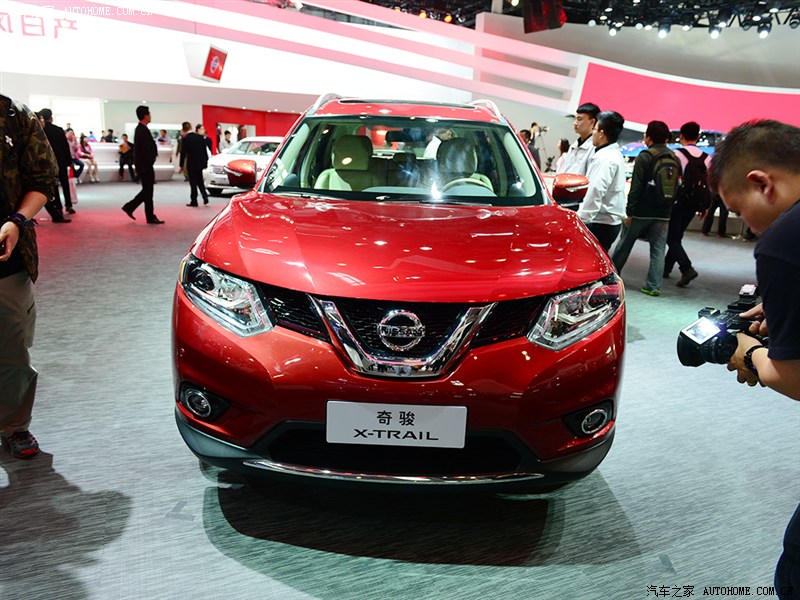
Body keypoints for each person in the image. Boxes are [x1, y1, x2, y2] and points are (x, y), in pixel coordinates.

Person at [709, 119, 800, 600]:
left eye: (738, 211)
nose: (746, 225)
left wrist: (751, 353)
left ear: (762, 183)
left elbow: (794, 378)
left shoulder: (785, 240)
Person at [0, 94, 58, 458]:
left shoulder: (14, 116)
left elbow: (43, 178)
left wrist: (18, 220)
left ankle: (14, 426)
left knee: (11, 351)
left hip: (6, 259)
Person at [610, 120, 677, 296]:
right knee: (658, 250)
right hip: (664, 213)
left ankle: (611, 279)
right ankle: (653, 286)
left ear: (649, 137)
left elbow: (636, 186)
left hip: (641, 212)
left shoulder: (645, 156)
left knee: (624, 245)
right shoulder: (674, 157)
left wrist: (630, 211)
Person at [663, 121, 712, 287]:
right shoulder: (707, 158)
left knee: (672, 237)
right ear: (698, 136)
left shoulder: (676, 154)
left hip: (678, 201)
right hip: (694, 203)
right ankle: (666, 268)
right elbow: (709, 184)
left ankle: (687, 268)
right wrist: (705, 205)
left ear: (681, 136)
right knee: (677, 236)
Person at [576, 110, 627, 252]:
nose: (592, 132)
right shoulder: (613, 154)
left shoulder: (605, 159)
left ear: (601, 133)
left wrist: (582, 221)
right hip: (608, 222)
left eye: (594, 129)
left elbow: (595, 190)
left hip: (600, 223)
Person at [121, 105, 163, 224]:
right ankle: (138, 211)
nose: (151, 116)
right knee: (148, 191)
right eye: (149, 114)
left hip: (144, 165)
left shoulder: (140, 129)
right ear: (145, 116)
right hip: (145, 166)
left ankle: (133, 208)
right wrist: (151, 160)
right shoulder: (142, 130)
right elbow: (145, 150)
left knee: (147, 191)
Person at [36, 108, 72, 222]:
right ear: (51, 117)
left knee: (54, 188)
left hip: (48, 164)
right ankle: (68, 205)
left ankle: (58, 208)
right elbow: (65, 147)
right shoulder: (59, 130)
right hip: (61, 162)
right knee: (65, 184)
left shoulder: (40, 131)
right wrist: (69, 161)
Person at [556, 102, 600, 175]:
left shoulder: (595, 148)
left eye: (579, 119)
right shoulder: (574, 146)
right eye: (575, 119)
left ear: (592, 122)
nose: (575, 123)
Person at [180, 123, 210, 206]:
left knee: (193, 182)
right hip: (200, 163)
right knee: (200, 180)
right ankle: (205, 196)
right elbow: (204, 151)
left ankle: (194, 200)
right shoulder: (200, 138)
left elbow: (183, 152)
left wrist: (181, 164)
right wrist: (205, 163)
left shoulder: (186, 139)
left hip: (191, 163)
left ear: (183, 129)